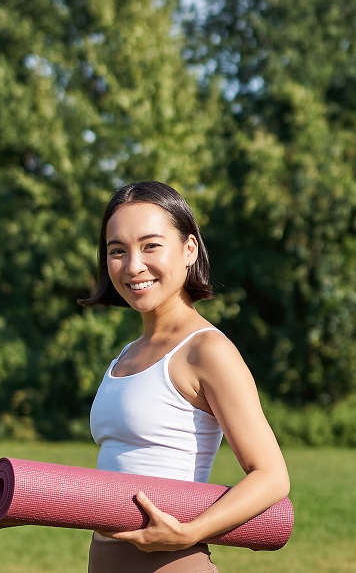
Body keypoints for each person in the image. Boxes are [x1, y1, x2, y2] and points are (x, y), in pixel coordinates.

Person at [80, 181, 290, 573]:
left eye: (150, 245)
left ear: (189, 249)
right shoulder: (126, 354)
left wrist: (191, 532)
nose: (133, 265)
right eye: (117, 251)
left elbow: (272, 476)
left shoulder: (206, 350)